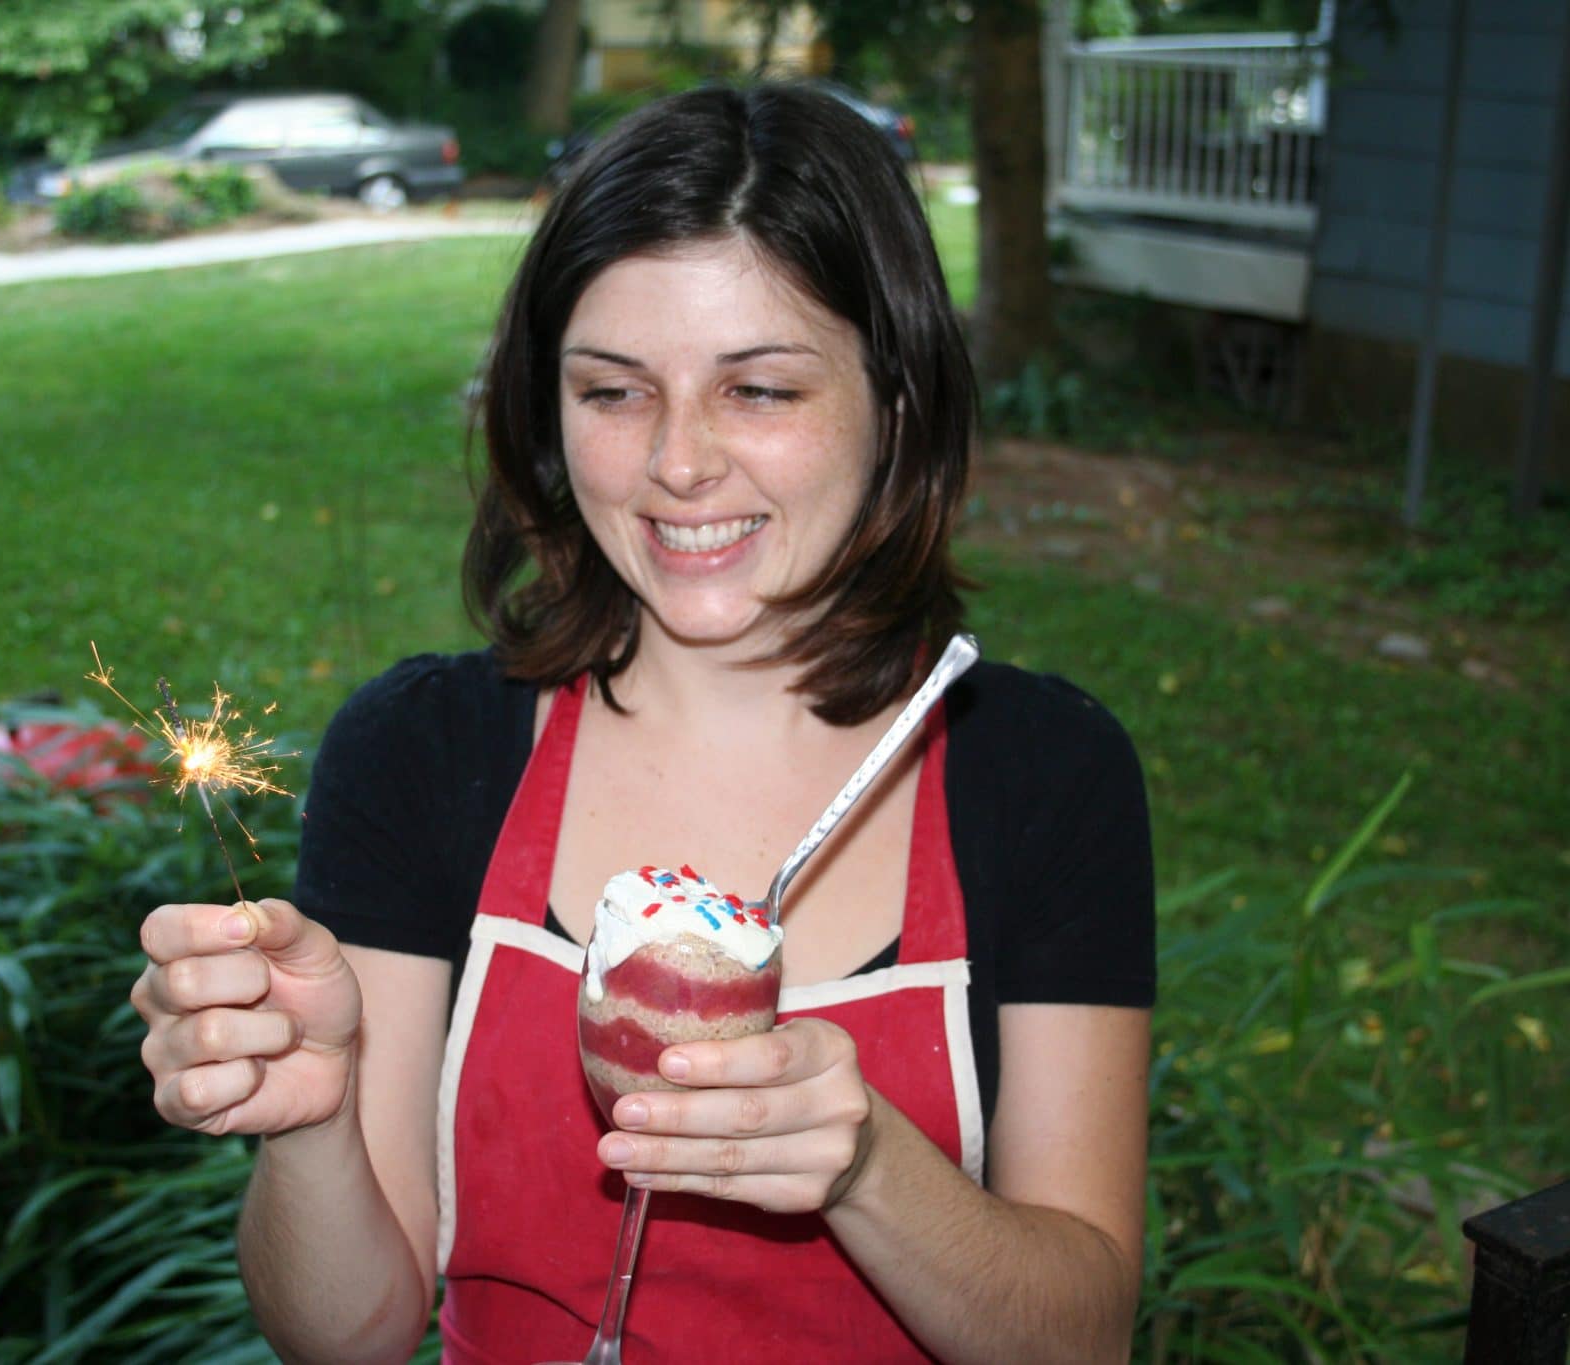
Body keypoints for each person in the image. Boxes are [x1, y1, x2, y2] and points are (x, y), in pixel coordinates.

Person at [130, 83, 1155, 1364]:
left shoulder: (1040, 774)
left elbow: (1078, 1339)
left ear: (895, 398)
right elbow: (347, 1337)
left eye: (759, 391)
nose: (678, 462)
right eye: (613, 392)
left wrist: (868, 1169)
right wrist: (309, 1120)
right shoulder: (423, 752)